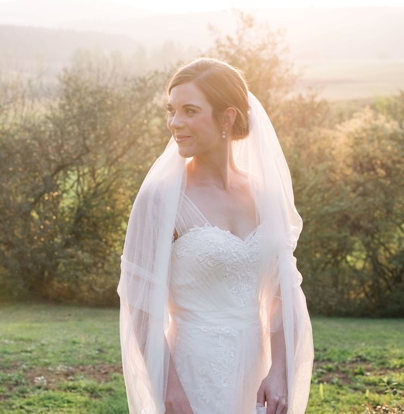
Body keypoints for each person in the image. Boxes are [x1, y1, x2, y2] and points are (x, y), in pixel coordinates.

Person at [117, 58, 313, 414]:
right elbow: (140, 304)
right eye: (171, 110)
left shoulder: (265, 196)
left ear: (228, 117)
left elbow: (283, 292)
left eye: (190, 110)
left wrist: (280, 372)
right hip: (193, 375)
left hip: (258, 372)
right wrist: (169, 390)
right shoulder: (160, 199)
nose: (175, 123)